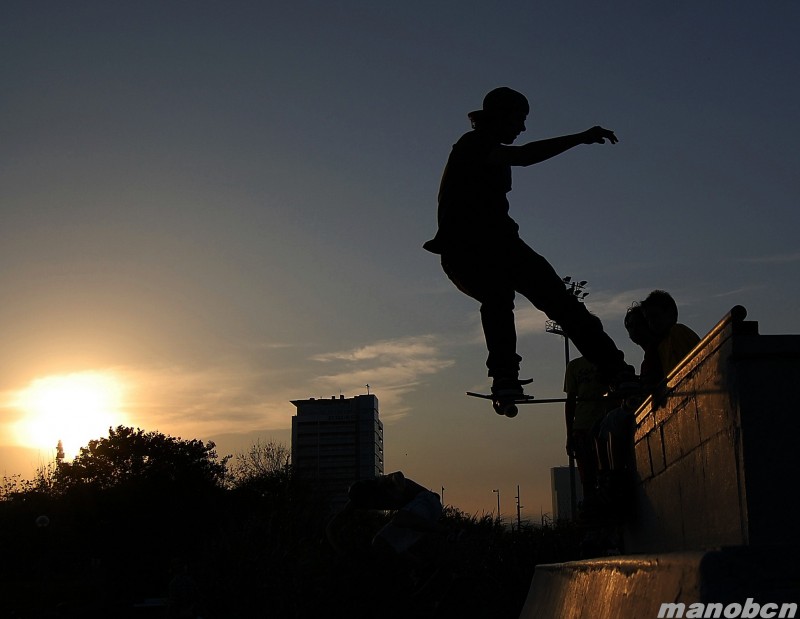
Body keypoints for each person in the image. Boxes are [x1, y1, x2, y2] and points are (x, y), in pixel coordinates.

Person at [424, 87, 633, 406]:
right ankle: (505, 375)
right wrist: (579, 137)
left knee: (563, 305)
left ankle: (616, 371)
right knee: (498, 295)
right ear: (499, 117)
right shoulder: (473, 144)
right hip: (466, 250)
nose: (522, 128)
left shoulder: (487, 148)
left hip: (503, 245)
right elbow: (524, 155)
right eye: (519, 120)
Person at [563, 356, 608, 496]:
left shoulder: (608, 361)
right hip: (582, 427)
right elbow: (570, 400)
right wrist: (569, 434)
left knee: (605, 472)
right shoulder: (574, 366)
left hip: (604, 423)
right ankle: (591, 505)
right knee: (587, 477)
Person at [640, 290, 701, 379]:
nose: (651, 322)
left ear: (670, 313)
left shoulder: (678, 332)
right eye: (648, 319)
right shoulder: (662, 345)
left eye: (654, 316)